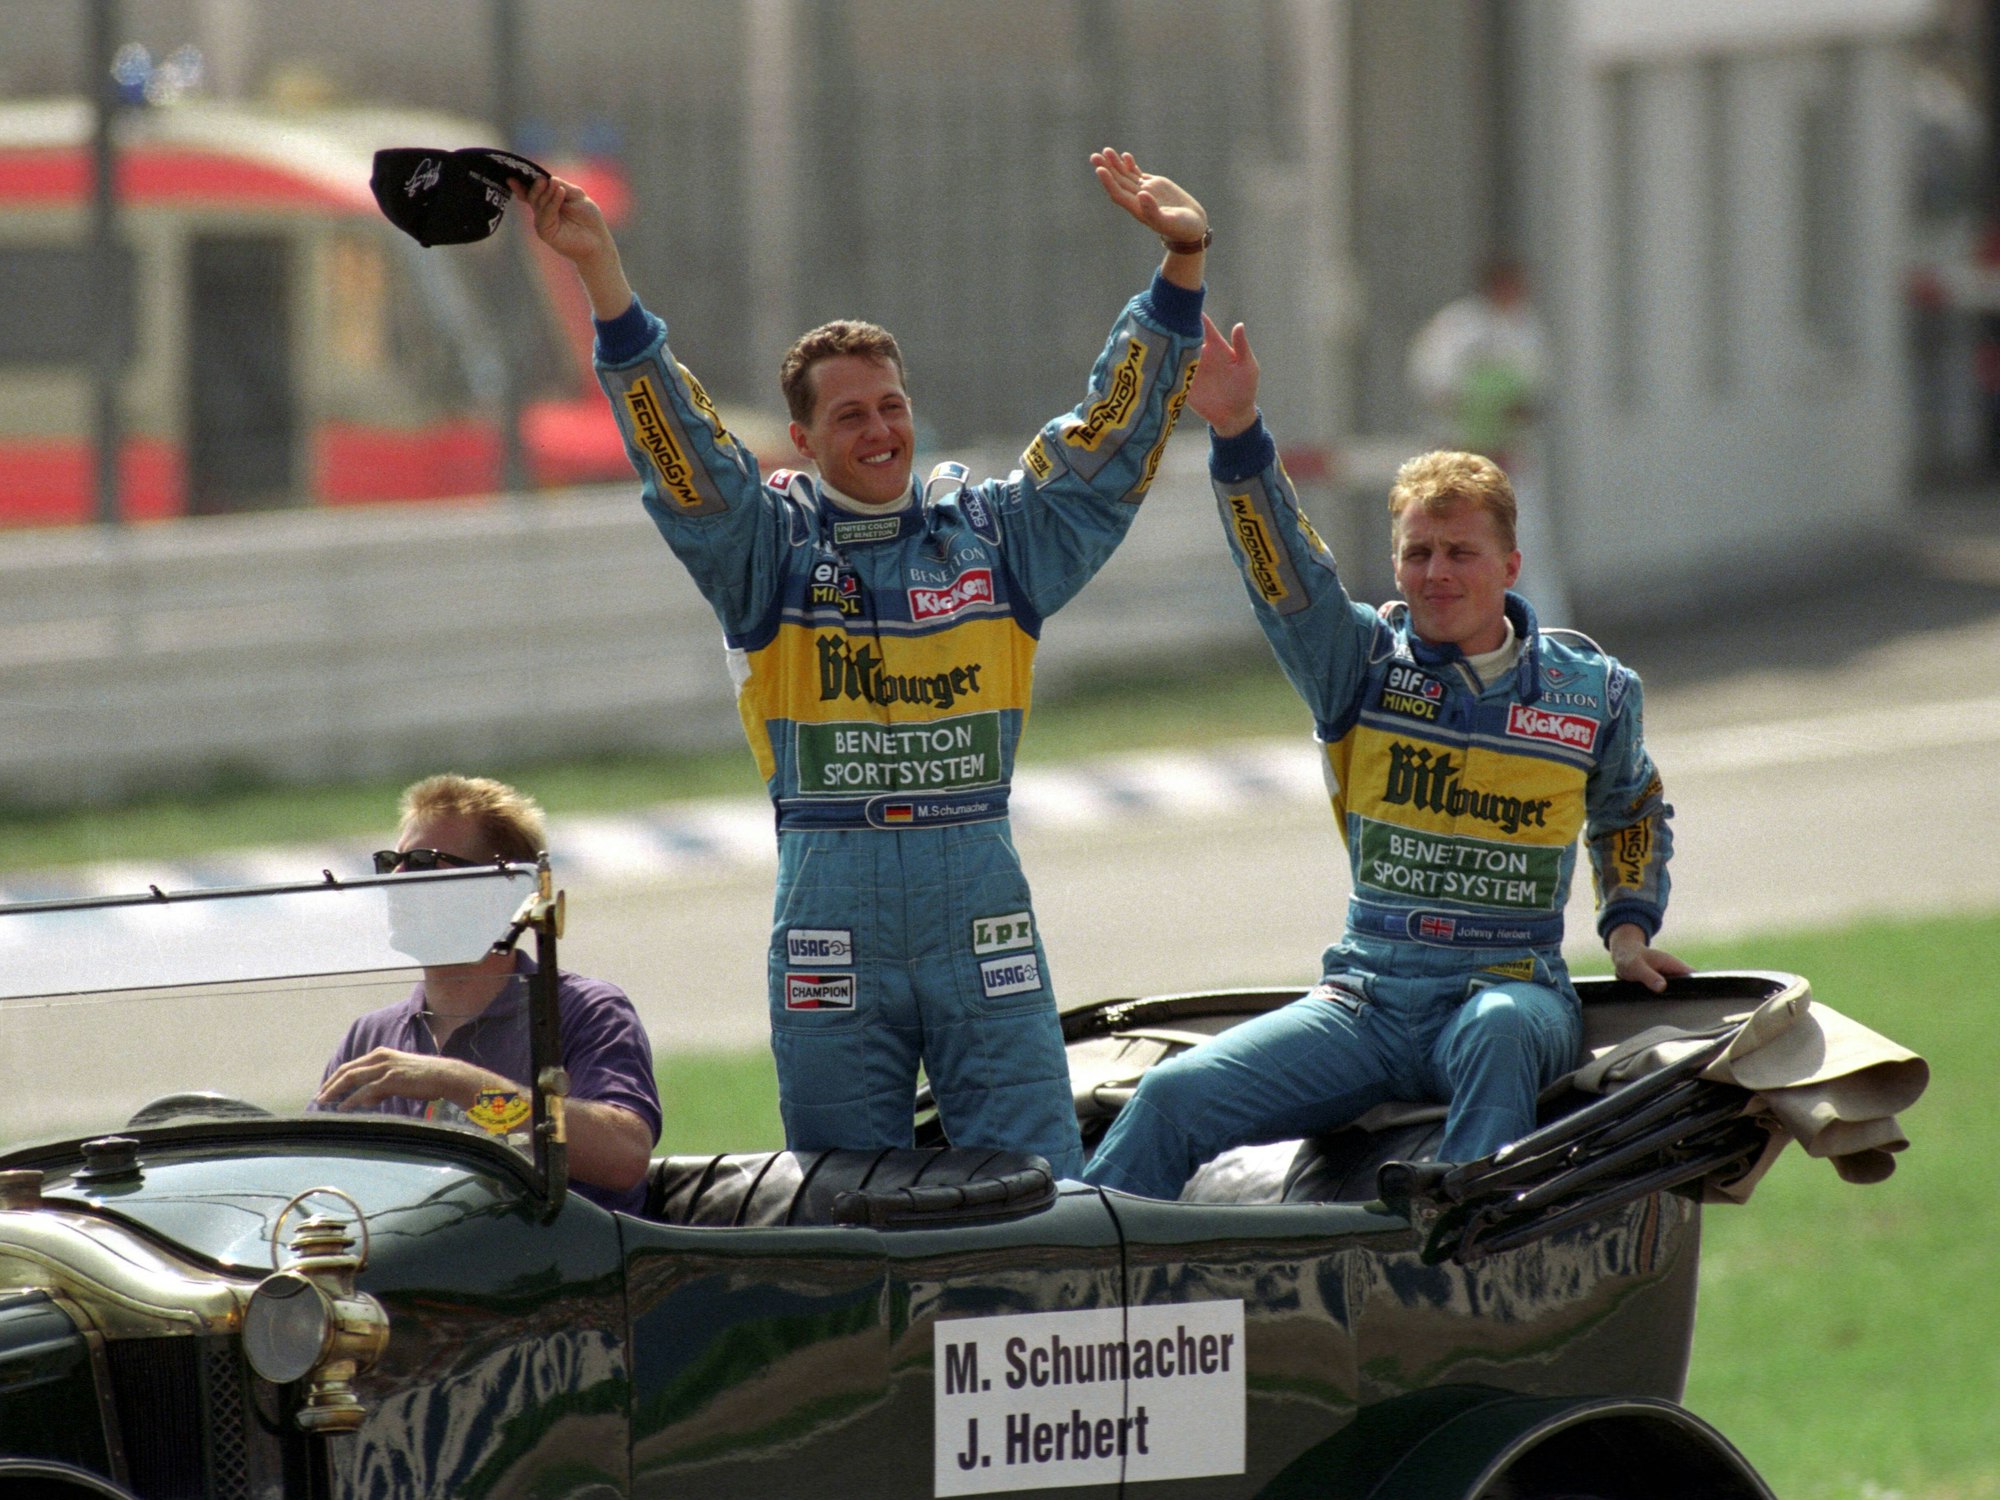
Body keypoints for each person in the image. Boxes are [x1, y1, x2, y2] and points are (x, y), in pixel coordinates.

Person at [520, 149, 1210, 1179]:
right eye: (850, 414)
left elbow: (1105, 444)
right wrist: (602, 277)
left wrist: (1180, 269)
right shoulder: (765, 551)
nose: (880, 428)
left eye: (889, 404)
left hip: (979, 904)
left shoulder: (993, 537)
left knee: (1033, 1189)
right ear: (801, 439)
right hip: (826, 922)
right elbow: (682, 448)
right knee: (843, 1211)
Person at [1082, 317, 1686, 1202]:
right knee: (1172, 1095)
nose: (1436, 572)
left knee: (1500, 1032)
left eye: (1460, 552)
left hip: (1510, 986)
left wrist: (1628, 930)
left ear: (1510, 564)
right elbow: (1286, 573)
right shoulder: (1358, 663)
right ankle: (1056, 1285)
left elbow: (1630, 808)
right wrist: (1238, 432)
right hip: (1365, 1002)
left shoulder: (1594, 690)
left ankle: (1455, 1267)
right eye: (1417, 552)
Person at [316, 774, 663, 1215]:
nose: (395, 880)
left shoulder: (582, 1012)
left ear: (501, 892)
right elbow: (314, 1173)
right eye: (391, 862)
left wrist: (458, 1083)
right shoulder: (370, 1037)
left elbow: (624, 1156)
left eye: (423, 862)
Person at [1405, 258, 1570, 625]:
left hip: (1511, 460)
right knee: (1455, 546)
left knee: (1526, 548)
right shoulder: (1457, 329)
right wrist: (1477, 415)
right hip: (1460, 463)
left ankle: (1545, 635)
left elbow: (1535, 396)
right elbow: (1436, 388)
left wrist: (1509, 415)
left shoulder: (1527, 329)